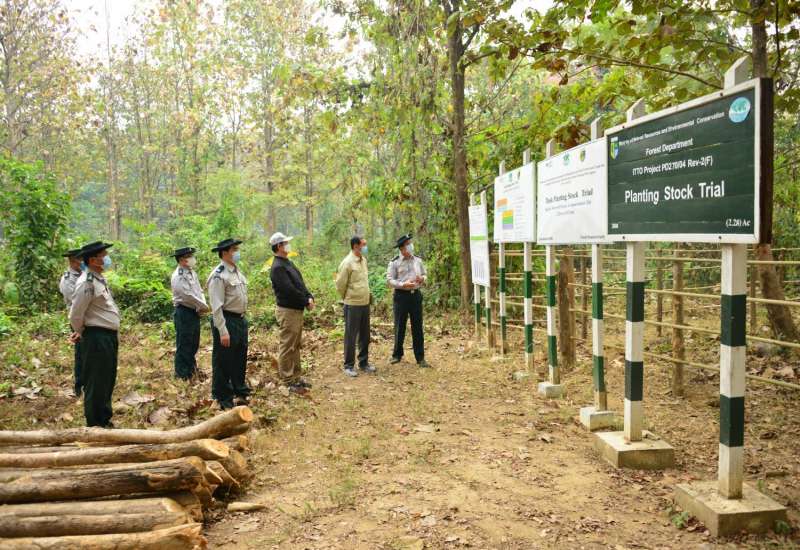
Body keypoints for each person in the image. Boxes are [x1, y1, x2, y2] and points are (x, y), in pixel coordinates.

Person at [68, 241, 120, 428]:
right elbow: (76, 314)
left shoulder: (98, 279)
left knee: (106, 379)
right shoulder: (86, 282)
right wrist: (80, 332)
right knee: (96, 381)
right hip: (96, 337)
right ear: (92, 260)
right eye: (103, 256)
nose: (106, 259)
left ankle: (104, 419)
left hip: (107, 336)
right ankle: (95, 424)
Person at [207, 238, 250, 409]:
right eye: (234, 249)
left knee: (240, 357)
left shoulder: (237, 272)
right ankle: (222, 396)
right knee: (223, 359)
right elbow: (216, 307)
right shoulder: (218, 275)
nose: (237, 252)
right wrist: (222, 330)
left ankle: (239, 390)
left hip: (240, 319)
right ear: (224, 252)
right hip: (226, 319)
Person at [268, 232, 314, 394]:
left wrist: (309, 296)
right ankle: (288, 380)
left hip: (296, 310)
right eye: (286, 243)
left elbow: (300, 284)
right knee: (287, 345)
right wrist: (305, 301)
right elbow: (289, 290)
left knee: (295, 345)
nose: (288, 245)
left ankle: (296, 377)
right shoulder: (277, 267)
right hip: (288, 311)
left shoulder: (288, 262)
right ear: (279, 246)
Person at [387, 234, 430, 368]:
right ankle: (397, 355)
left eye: (410, 243)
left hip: (415, 296)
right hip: (401, 297)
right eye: (408, 244)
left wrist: (422, 279)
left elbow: (425, 274)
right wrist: (402, 284)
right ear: (402, 248)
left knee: (417, 327)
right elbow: (389, 280)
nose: (411, 246)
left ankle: (420, 357)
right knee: (400, 326)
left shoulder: (417, 260)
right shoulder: (394, 262)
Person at [336, 236, 374, 377]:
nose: (365, 247)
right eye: (363, 244)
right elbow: (340, 284)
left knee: (365, 335)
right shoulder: (347, 263)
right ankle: (348, 365)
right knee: (351, 336)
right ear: (355, 246)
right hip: (352, 304)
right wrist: (348, 297)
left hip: (365, 303)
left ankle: (363, 363)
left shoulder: (363, 260)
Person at [170, 247, 209, 380]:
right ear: (182, 259)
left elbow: (199, 291)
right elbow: (186, 296)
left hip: (194, 311)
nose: (192, 258)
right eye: (189, 256)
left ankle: (191, 369)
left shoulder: (192, 272)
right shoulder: (178, 275)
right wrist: (202, 306)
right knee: (184, 343)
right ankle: (182, 374)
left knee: (193, 343)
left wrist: (202, 305)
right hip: (184, 311)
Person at [60, 248, 85, 396]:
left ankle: (88, 383)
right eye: (80, 259)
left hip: (89, 319)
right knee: (81, 353)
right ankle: (79, 386)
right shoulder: (67, 279)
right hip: (78, 320)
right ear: (72, 260)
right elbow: (76, 302)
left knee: (89, 352)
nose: (83, 261)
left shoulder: (84, 274)